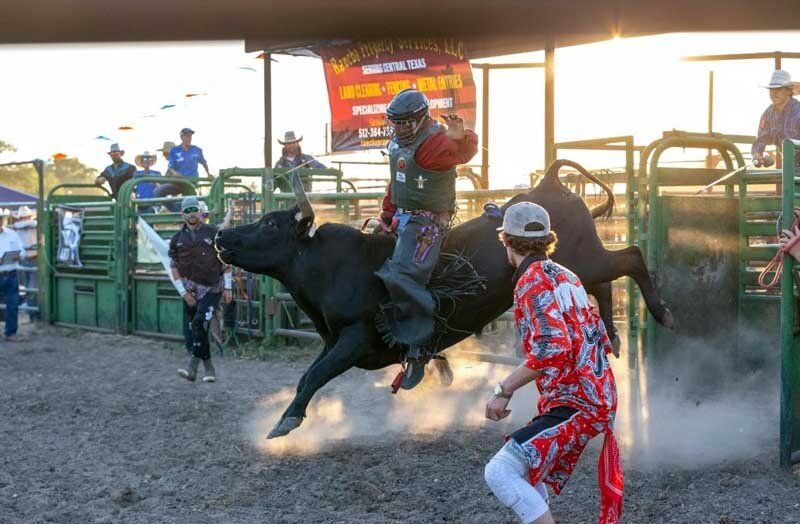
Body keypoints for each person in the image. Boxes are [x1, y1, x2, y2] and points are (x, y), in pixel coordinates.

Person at [484, 202, 623, 524]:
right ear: (548, 239)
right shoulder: (567, 276)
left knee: (501, 471)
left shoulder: (531, 282)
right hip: (592, 396)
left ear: (505, 240)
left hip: (577, 402)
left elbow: (552, 349)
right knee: (528, 470)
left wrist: (504, 390)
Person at [374, 88, 478, 387]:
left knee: (404, 275)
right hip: (405, 216)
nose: (398, 127)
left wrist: (461, 136)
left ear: (420, 119)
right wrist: (386, 213)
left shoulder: (436, 141)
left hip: (428, 223)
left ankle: (419, 351)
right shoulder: (399, 144)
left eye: (404, 122)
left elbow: (461, 152)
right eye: (396, 122)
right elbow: (398, 181)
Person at [168, 196, 232, 382]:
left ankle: (193, 365)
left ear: (200, 211)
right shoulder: (177, 239)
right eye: (187, 211)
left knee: (199, 322)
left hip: (212, 288)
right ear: (182, 214)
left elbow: (225, 262)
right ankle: (209, 368)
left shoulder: (213, 232)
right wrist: (184, 293)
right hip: (190, 290)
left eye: (194, 209)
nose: (191, 214)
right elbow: (174, 267)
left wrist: (227, 287)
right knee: (198, 327)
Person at [752, 69, 800, 168]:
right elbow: (761, 138)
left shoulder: (798, 112)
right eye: (771, 89)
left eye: (778, 89)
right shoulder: (768, 114)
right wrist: (757, 154)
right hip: (790, 166)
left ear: (789, 91)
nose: (774, 93)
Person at [0, 211, 25, 341]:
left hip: (11, 273)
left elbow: (22, 250)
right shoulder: (11, 234)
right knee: (12, 303)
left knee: (13, 304)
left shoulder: (12, 234)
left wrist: (19, 255)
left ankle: (11, 333)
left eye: (1, 219)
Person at [11, 206, 38, 320]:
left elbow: (32, 223)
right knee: (28, 288)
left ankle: (34, 314)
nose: (24, 219)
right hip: (24, 260)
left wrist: (25, 223)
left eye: (26, 217)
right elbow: (18, 225)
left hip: (34, 259)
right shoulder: (18, 227)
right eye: (23, 217)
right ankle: (32, 314)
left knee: (32, 288)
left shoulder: (34, 225)